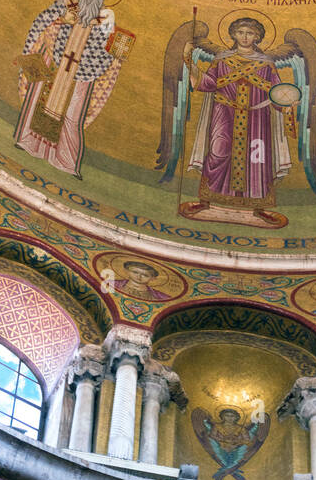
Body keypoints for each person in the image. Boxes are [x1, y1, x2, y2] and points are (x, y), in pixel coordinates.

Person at [15, 0, 132, 177]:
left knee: (72, 117)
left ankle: (65, 161)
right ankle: (27, 141)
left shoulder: (106, 16)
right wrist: (61, 19)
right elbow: (41, 20)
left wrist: (115, 55)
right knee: (38, 102)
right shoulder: (67, 0)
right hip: (54, 61)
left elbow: (106, 47)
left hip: (83, 73)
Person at [183, 18, 290, 226]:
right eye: (240, 32)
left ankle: (258, 206)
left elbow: (276, 91)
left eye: (250, 33)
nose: (245, 37)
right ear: (233, 35)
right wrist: (188, 59)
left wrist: (287, 102)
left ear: (257, 37)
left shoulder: (266, 63)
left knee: (257, 158)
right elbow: (208, 83)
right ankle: (207, 200)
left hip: (256, 117)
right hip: (225, 111)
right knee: (218, 150)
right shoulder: (223, 60)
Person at [105, 261, 170, 301]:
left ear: (152, 278)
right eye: (135, 272)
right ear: (127, 271)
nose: (139, 276)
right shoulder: (111, 284)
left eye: (145, 275)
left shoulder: (160, 296)